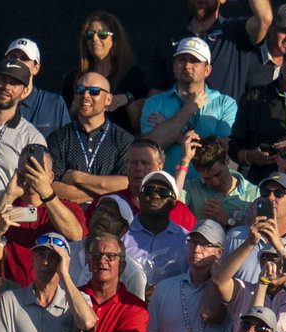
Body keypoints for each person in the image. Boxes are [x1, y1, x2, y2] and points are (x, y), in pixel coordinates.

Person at [140, 37, 239, 175]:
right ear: (174, 65)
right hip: (166, 188)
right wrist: (188, 109)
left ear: (207, 69)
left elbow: (224, 148)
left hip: (209, 188)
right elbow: (149, 147)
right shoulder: (154, 102)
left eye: (194, 61)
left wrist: (174, 134)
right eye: (182, 60)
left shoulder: (225, 103)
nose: (187, 66)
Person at [47, 72, 134, 206]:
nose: (85, 96)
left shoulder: (124, 140)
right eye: (80, 90)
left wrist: (77, 177)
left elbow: (127, 184)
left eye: (94, 91)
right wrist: (103, 191)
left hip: (110, 220)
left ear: (108, 100)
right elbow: (51, 188)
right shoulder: (58, 138)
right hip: (68, 220)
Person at [61, 12, 148, 131]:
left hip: (122, 144)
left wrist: (128, 100)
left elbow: (141, 126)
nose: (95, 39)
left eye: (102, 34)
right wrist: (77, 105)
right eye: (90, 35)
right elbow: (64, 121)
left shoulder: (133, 76)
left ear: (115, 41)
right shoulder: (74, 78)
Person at [0, 60, 47, 193]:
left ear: (25, 91)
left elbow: (34, 193)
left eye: (14, 83)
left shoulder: (31, 138)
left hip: (3, 210)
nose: (6, 87)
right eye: (2, 80)